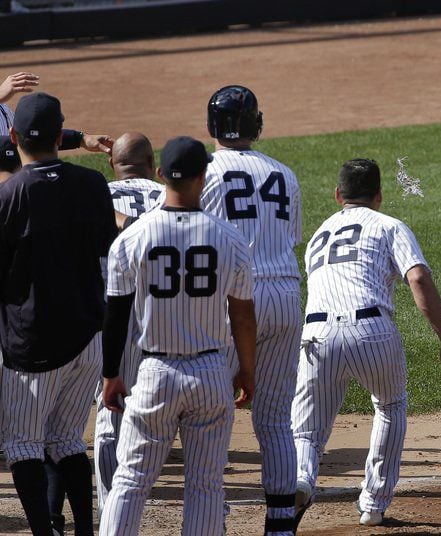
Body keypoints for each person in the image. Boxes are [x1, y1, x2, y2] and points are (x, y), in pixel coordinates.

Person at [99, 136, 257, 536]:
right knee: (205, 485)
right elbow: (242, 316)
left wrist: (111, 374)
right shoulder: (230, 239)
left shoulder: (132, 238)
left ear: (160, 175)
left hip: (154, 372)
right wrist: (247, 371)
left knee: (131, 481)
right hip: (209, 371)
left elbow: (115, 315)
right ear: (203, 178)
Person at [291, 158, 441, 528]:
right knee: (389, 406)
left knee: (307, 428)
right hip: (371, 331)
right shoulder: (389, 225)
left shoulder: (320, 234)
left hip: (316, 335)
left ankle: (302, 479)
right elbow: (417, 277)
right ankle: (373, 504)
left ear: (338, 195)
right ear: (380, 195)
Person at [0, 92, 118, 535]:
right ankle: (86, 530)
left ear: (13, 137)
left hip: (32, 345)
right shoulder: (92, 186)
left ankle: (44, 533)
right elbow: (107, 254)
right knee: (67, 438)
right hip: (88, 337)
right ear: (59, 135)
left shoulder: (9, 195)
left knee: (24, 445)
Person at [201, 85, 303, 535]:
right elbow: (290, 238)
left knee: (213, 420)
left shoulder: (204, 172)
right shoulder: (286, 173)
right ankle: (280, 528)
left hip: (234, 300)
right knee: (277, 421)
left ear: (211, 126)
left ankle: (213, 522)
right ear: (256, 125)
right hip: (285, 294)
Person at [93, 132, 165, 517]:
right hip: (164, 317)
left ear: (112, 164)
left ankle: (111, 510)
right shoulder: (167, 196)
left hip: (109, 316)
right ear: (154, 166)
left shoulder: (95, 194)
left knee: (111, 413)